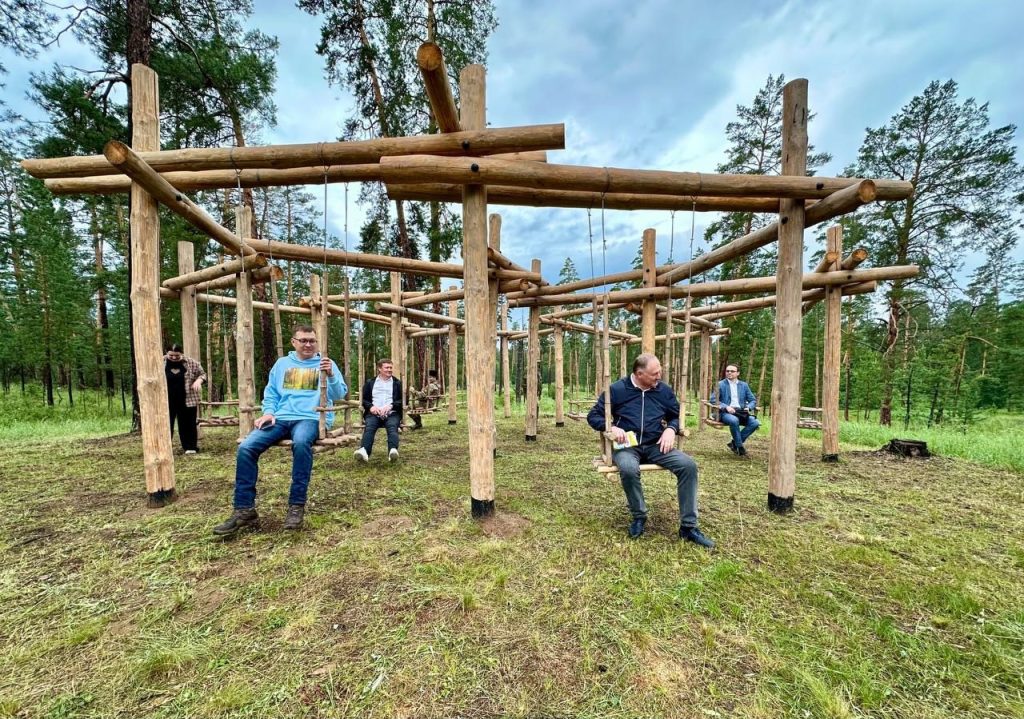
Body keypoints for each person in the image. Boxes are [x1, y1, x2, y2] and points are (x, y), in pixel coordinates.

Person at [213, 325, 346, 535]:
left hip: (311, 418)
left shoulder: (325, 363)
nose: (308, 344)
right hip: (281, 418)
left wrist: (330, 375)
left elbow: (339, 394)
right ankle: (244, 510)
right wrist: (268, 412)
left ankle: (296, 505)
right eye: (303, 340)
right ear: (293, 342)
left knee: (301, 443)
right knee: (246, 447)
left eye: (312, 341)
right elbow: (272, 393)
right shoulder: (282, 364)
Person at [587, 353, 714, 548]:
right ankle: (639, 516)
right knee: (628, 468)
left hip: (656, 444)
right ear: (639, 374)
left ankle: (688, 527)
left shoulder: (663, 391)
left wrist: (671, 429)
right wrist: (611, 427)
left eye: (660, 372)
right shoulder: (617, 390)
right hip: (627, 446)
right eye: (655, 374)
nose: (659, 377)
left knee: (688, 466)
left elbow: (675, 415)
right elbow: (593, 416)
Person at [353, 359, 403, 463]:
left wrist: (391, 406)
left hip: (392, 413)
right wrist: (371, 407)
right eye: (386, 368)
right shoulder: (370, 383)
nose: (389, 370)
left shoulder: (397, 383)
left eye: (390, 367)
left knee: (392, 426)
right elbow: (364, 400)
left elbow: (402, 400)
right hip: (374, 413)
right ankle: (364, 451)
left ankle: (392, 451)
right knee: (370, 427)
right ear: (379, 369)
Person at [164, 343, 206, 455]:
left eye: (177, 355)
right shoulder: (161, 363)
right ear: (167, 353)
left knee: (188, 423)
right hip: (166, 401)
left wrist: (199, 381)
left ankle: (190, 446)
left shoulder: (191, 363)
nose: (174, 357)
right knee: (165, 424)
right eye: (171, 355)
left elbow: (203, 374)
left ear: (181, 354)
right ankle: (164, 447)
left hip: (187, 399)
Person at [712, 364, 760, 456]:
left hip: (740, 412)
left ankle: (734, 443)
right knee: (734, 420)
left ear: (738, 373)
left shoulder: (744, 385)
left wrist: (748, 407)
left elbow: (753, 400)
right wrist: (726, 407)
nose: (729, 373)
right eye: (727, 371)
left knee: (755, 423)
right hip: (724, 413)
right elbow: (713, 399)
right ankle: (740, 447)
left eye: (732, 371)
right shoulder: (720, 384)